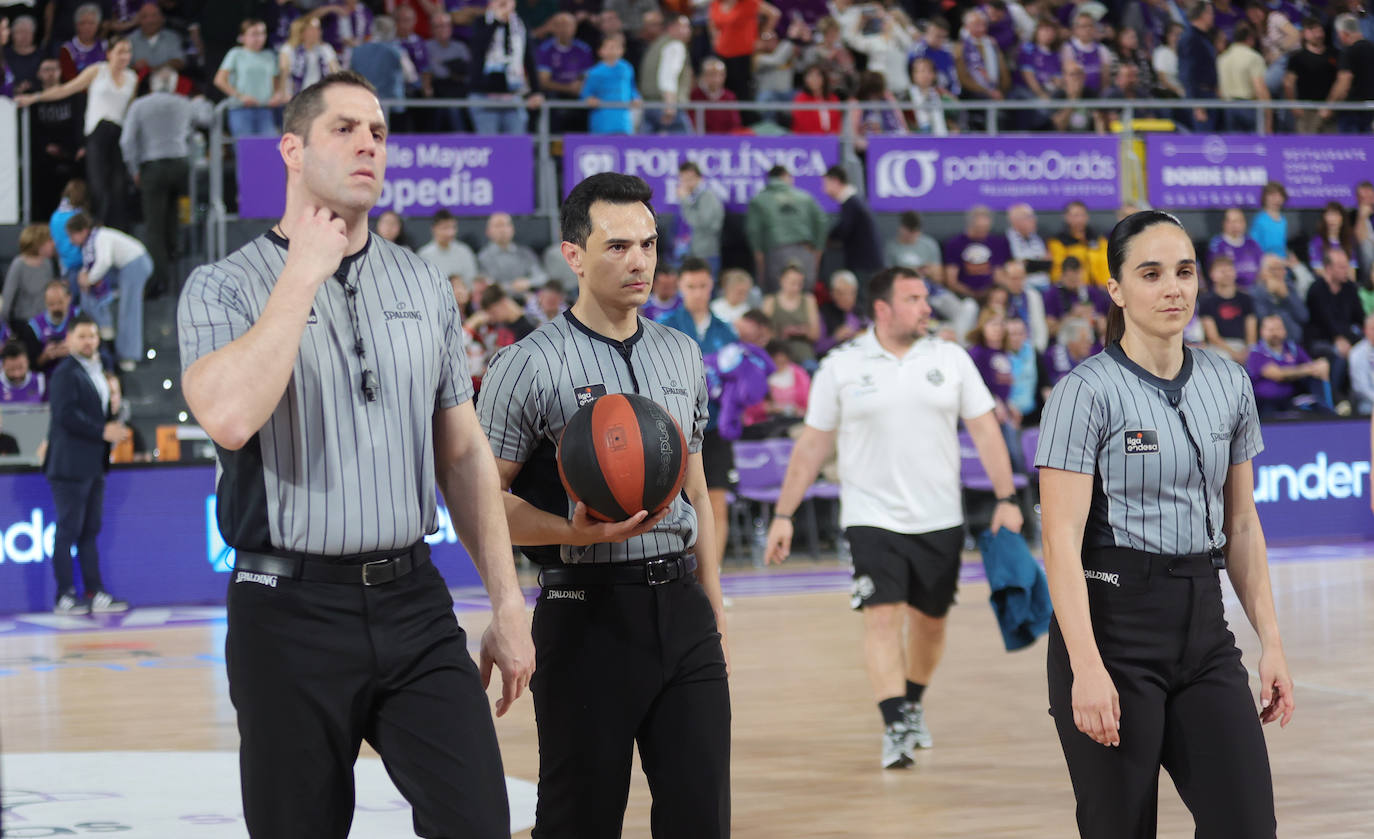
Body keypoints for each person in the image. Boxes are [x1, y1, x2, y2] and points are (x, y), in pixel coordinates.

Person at [176, 71, 533, 838]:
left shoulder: (423, 279)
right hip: (286, 612)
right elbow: (231, 417)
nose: (369, 142)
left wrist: (506, 602)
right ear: (293, 150)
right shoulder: (221, 287)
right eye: (344, 128)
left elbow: (465, 454)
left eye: (377, 130)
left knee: (478, 821)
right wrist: (304, 270)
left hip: (413, 599)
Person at [476, 172, 730, 838]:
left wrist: (713, 608)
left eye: (647, 243)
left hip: (683, 612)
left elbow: (698, 492)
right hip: (584, 612)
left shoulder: (683, 354)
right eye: (617, 245)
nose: (639, 260)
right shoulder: (524, 365)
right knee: (578, 821)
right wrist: (572, 533)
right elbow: (481, 501)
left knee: (703, 820)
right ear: (574, 254)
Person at [1036, 209, 1294, 838]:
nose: (1172, 287)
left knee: (1248, 827)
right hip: (1113, 628)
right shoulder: (1083, 392)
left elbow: (1242, 524)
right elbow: (1060, 542)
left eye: (1183, 271)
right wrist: (1087, 667)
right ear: (1117, 291)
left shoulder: (1229, 382)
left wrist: (1272, 644)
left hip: (1203, 628)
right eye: (1151, 274)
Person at [764, 265, 1024, 769]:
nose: (927, 307)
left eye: (926, 298)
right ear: (882, 309)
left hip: (940, 517)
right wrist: (783, 513)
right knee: (881, 618)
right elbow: (813, 445)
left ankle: (911, 702)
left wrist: (1007, 497)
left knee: (930, 624)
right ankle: (894, 723)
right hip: (869, 517)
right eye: (914, 299)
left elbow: (987, 431)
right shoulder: (840, 365)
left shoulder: (950, 359)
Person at [45, 313, 131, 616]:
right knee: (68, 530)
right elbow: (65, 416)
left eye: (92, 335)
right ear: (69, 339)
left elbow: (100, 413)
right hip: (69, 465)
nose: (88, 341)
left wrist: (114, 417)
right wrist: (102, 431)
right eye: (82, 335)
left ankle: (94, 592)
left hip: (94, 464)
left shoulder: (101, 370)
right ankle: (64, 595)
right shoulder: (65, 373)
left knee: (89, 530)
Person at [659, 257, 740, 566]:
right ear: (680, 287)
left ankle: (712, 574)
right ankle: (685, 571)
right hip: (676, 428)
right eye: (690, 286)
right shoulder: (665, 327)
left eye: (703, 286)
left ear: (712, 286)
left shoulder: (726, 330)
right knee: (678, 503)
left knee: (717, 502)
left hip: (716, 427)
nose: (697, 292)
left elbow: (737, 382)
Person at [16, 37, 137, 231]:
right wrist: (35, 97)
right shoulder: (98, 71)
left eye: (128, 52)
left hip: (119, 135)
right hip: (97, 133)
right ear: (109, 54)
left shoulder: (132, 77)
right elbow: (66, 89)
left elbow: (132, 110)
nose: (124, 56)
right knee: (98, 187)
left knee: (119, 188)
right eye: (120, 51)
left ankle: (118, 233)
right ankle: (97, 231)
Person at [120, 67, 209, 299]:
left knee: (154, 226)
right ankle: (174, 256)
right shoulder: (184, 103)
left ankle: (160, 280)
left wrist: (134, 169)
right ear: (174, 84)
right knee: (173, 218)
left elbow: (127, 141)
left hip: (153, 167)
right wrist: (201, 102)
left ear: (151, 84)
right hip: (180, 165)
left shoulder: (139, 106)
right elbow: (206, 119)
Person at [65, 212, 152, 371]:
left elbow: (104, 261)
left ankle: (128, 356)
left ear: (83, 231)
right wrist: (85, 276)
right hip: (122, 268)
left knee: (129, 309)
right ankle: (105, 326)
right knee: (88, 291)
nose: (71, 241)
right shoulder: (89, 245)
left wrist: (88, 278)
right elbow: (92, 265)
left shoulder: (101, 237)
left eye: (72, 236)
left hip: (136, 263)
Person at [746, 165, 827, 294]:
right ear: (785, 176)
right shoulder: (805, 197)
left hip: (775, 254)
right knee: (804, 296)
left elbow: (753, 231)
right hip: (805, 252)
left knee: (776, 297)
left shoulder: (758, 200)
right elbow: (822, 222)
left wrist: (759, 257)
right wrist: (817, 251)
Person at [1305, 247, 1364, 400]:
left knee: (1363, 352)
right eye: (1342, 267)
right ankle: (1334, 399)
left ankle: (1358, 398)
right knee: (1338, 356)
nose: (1347, 270)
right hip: (1321, 339)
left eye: (1347, 265)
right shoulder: (1316, 289)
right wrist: (1339, 339)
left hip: (1347, 338)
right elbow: (1326, 321)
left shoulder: (1350, 288)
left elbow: (1360, 317)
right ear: (1329, 268)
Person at [1248, 314, 1332, 416]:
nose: (1275, 333)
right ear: (1262, 332)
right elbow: (1277, 374)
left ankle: (1332, 410)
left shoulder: (1293, 348)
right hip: (1265, 403)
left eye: (1278, 329)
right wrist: (1306, 369)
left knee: (1316, 404)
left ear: (1285, 331)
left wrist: (1320, 365)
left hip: (1291, 399)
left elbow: (1313, 367)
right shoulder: (1256, 352)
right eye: (1271, 330)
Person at [215, 20, 286, 137]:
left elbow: (275, 82)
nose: (259, 38)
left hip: (265, 110)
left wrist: (277, 95)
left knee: (268, 149)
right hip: (240, 110)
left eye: (262, 33)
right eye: (254, 34)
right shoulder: (235, 54)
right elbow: (220, 80)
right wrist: (240, 96)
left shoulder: (269, 55)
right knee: (246, 150)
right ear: (243, 37)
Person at [537, 12, 595, 132]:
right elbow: (543, 81)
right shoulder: (545, 49)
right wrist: (568, 88)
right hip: (554, 97)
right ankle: (553, 149)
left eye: (568, 25)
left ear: (575, 27)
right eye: (560, 25)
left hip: (578, 96)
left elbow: (588, 76)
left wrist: (579, 85)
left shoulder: (583, 49)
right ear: (553, 28)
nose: (564, 29)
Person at [822, 166, 883, 281]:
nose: (823, 189)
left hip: (863, 266)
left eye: (825, 184)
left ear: (835, 181)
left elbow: (844, 228)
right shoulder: (854, 202)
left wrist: (828, 238)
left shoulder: (851, 203)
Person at [1283, 16, 1338, 134]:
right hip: (1306, 110)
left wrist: (1331, 106)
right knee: (1305, 146)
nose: (1317, 34)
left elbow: (1341, 81)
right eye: (1312, 30)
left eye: (1319, 30)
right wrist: (1294, 106)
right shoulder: (1297, 58)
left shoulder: (1334, 54)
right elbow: (1288, 83)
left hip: (1329, 110)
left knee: (1332, 147)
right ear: (1304, 34)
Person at [1198, 255, 1256, 364]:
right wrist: (1235, 354)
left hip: (1243, 346)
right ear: (1212, 275)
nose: (1227, 274)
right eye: (1222, 271)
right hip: (1219, 347)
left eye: (1229, 270)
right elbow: (1212, 336)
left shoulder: (1246, 299)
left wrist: (1248, 350)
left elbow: (1251, 330)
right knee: (1223, 358)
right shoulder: (1206, 301)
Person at [763, 263, 821, 368]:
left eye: (800, 283)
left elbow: (815, 335)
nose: (796, 287)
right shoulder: (770, 301)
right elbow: (763, 334)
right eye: (792, 283)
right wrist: (782, 333)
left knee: (811, 368)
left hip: (803, 352)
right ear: (782, 280)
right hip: (778, 352)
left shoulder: (808, 300)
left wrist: (803, 331)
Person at [1324, 13, 1374, 134]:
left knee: (1352, 150)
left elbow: (1344, 83)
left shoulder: (1348, 52)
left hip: (1351, 112)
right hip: (1371, 111)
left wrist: (1329, 106)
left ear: (1343, 33)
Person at [1217, 21, 1271, 132]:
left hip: (1228, 108)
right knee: (1254, 146)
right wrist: (1269, 119)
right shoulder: (1253, 57)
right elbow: (1260, 89)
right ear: (1250, 39)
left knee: (1235, 147)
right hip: (1248, 108)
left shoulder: (1222, 58)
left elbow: (1218, 88)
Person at [582, 32, 639, 134]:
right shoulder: (594, 72)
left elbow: (632, 88)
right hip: (602, 120)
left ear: (622, 50)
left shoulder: (627, 68)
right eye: (609, 47)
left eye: (616, 47)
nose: (612, 50)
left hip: (623, 120)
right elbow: (586, 93)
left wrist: (635, 98)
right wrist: (589, 99)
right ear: (600, 51)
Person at [673, 161, 725, 276]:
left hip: (706, 254)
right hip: (693, 252)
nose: (686, 184)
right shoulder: (694, 198)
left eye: (690, 179)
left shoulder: (707, 197)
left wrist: (685, 200)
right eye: (683, 180)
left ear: (699, 178)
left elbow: (700, 222)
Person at [3, 225, 59, 328]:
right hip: (24, 323)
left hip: (46, 322)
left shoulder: (47, 263)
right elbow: (8, 298)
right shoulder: (18, 264)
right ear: (39, 244)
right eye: (50, 240)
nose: (54, 243)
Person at [478, 212, 547, 292]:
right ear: (488, 232)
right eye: (497, 226)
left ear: (513, 229)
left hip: (526, 299)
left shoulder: (525, 253)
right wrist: (512, 287)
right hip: (497, 300)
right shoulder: (482, 257)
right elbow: (486, 284)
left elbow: (542, 277)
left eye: (506, 225)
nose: (502, 230)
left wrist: (528, 282)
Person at [1177, 0, 1219, 131]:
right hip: (1200, 98)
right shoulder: (1190, 38)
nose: (1213, 17)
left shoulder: (1204, 37)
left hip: (1209, 96)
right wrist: (1195, 104)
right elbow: (1187, 73)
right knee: (1202, 141)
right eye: (1211, 13)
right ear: (1202, 14)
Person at [1049, 201, 1110, 287]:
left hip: (1104, 288)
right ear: (1066, 217)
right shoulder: (1058, 241)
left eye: (1082, 215)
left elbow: (1108, 263)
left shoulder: (1099, 239)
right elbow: (1057, 272)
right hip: (1075, 289)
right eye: (1075, 215)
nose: (1079, 219)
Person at [1252, 253, 1309, 344]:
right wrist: (1269, 294)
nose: (1278, 272)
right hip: (1270, 344)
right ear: (1262, 272)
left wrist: (1286, 297)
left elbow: (1303, 317)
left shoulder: (1290, 287)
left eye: (1281, 268)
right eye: (1273, 269)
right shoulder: (1256, 292)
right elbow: (1262, 319)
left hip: (1296, 344)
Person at [280, 14, 341, 98]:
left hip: (320, 96)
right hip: (296, 97)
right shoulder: (289, 49)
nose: (317, 32)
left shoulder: (325, 49)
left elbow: (335, 72)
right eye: (312, 29)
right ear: (302, 31)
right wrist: (283, 95)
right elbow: (284, 74)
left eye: (318, 28)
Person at [26, 280, 79, 375]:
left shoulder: (79, 316)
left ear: (69, 298)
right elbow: (31, 365)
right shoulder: (35, 326)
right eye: (51, 304)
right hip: (48, 377)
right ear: (45, 302)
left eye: (60, 303)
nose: (56, 308)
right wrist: (46, 356)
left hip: (77, 374)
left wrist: (73, 349)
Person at [1206, 207, 1264, 289]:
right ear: (1224, 223)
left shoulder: (1251, 243)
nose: (1236, 225)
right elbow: (1216, 273)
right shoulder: (1217, 244)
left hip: (1254, 289)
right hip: (1230, 291)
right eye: (1232, 221)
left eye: (1239, 221)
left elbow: (1262, 266)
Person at [417, 209, 480, 285]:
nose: (450, 233)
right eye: (445, 228)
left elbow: (472, 282)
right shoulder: (423, 255)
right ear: (434, 229)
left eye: (453, 227)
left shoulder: (464, 251)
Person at [816, 270, 867, 356]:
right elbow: (818, 348)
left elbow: (874, 332)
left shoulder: (861, 311)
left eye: (851, 293)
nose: (847, 297)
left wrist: (862, 334)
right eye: (841, 293)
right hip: (835, 359)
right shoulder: (824, 312)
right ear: (832, 294)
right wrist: (835, 338)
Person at [128, 2, 185, 76]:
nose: (150, 21)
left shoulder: (173, 38)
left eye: (154, 16)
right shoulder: (129, 40)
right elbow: (122, 68)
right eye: (144, 17)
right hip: (139, 84)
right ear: (139, 20)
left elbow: (180, 62)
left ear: (162, 19)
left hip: (167, 82)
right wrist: (134, 67)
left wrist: (156, 69)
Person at [1006, 203, 1052, 289]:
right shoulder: (1006, 241)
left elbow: (1048, 264)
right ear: (1016, 221)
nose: (1034, 220)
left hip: (1044, 284)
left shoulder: (1039, 238)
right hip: (1022, 287)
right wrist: (1038, 263)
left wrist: (1029, 263)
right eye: (1029, 217)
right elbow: (1015, 267)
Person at [791, 62, 844, 134]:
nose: (814, 79)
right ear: (805, 79)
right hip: (806, 141)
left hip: (830, 141)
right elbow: (803, 125)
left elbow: (837, 124)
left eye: (818, 75)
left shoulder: (833, 98)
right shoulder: (800, 99)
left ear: (824, 78)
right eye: (810, 75)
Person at [1250, 182, 1289, 259]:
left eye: (1280, 195)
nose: (1277, 199)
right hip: (1266, 263)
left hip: (1283, 264)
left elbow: (1282, 246)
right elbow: (1254, 247)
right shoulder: (1260, 220)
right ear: (1265, 198)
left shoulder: (1283, 220)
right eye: (1273, 195)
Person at [1346, 313, 1374, 413]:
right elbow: (1362, 387)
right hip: (1366, 402)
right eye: (1373, 328)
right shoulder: (1357, 353)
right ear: (1365, 330)